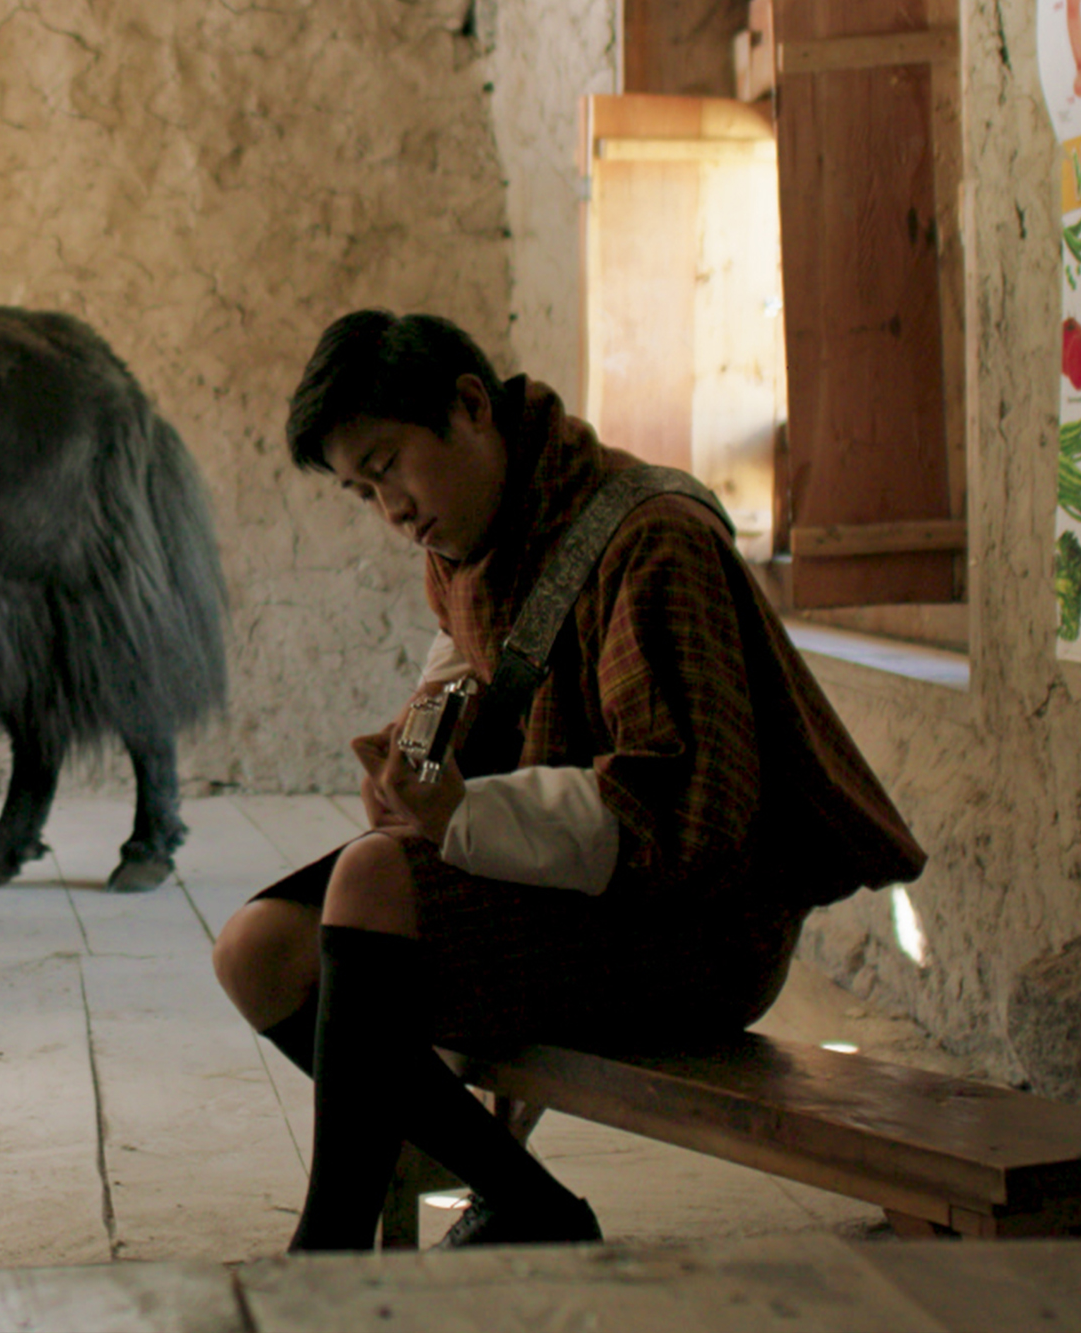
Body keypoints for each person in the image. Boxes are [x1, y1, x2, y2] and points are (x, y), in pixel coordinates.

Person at [216, 311, 927, 1253]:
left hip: (696, 924)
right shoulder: (476, 534)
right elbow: (475, 651)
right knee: (256, 951)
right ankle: (530, 1202)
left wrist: (463, 815)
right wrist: (415, 756)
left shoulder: (655, 542)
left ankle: (328, 1258)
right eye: (361, 492)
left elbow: (676, 812)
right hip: (578, 892)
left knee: (375, 884)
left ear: (471, 405)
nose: (388, 510)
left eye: (387, 466)